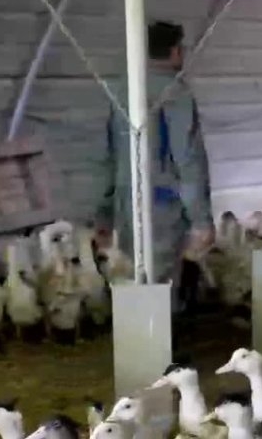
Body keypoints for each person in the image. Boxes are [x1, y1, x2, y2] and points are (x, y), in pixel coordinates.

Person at [101, 21, 215, 314]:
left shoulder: (120, 89)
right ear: (176, 51)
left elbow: (106, 154)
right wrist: (201, 220)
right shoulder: (175, 93)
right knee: (160, 283)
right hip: (161, 206)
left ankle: (133, 337)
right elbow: (187, 159)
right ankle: (157, 339)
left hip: (125, 204)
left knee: (131, 278)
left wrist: (103, 211)